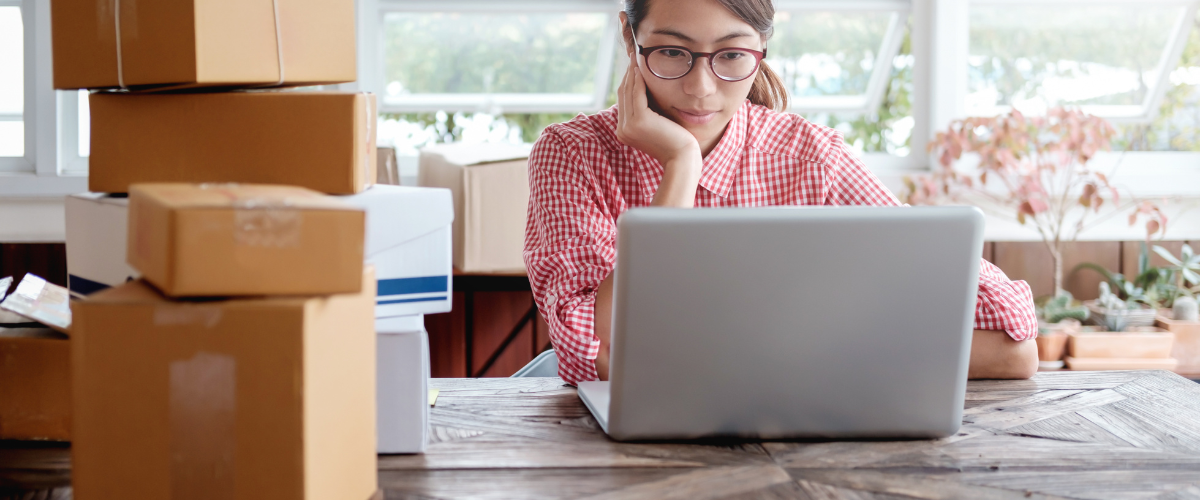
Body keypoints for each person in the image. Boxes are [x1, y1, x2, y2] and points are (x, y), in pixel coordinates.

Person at [523, 0, 1040, 386]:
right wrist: (681, 164)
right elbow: (596, 353)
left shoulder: (813, 159)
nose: (701, 87)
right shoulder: (572, 154)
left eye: (731, 55)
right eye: (672, 52)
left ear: (761, 49)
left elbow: (1012, 345)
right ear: (629, 35)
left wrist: (768, 355)